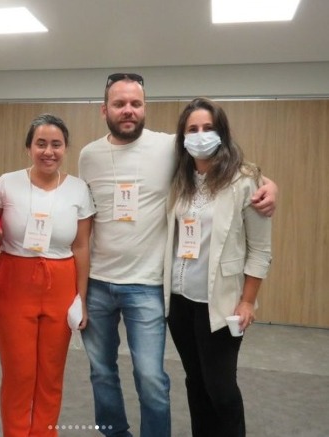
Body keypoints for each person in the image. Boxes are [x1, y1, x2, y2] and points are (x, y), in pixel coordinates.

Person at [78, 73, 277, 437]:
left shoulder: (170, 147)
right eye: (119, 104)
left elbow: (238, 173)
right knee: (107, 372)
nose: (128, 110)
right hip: (117, 287)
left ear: (145, 108)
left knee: (158, 378)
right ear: (104, 109)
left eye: (135, 103)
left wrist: (269, 185)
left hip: (152, 286)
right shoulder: (91, 156)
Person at [164, 97, 272, 437]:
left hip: (221, 304)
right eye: (192, 129)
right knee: (196, 383)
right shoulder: (179, 179)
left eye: (208, 128)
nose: (200, 135)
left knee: (221, 389)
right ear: (183, 137)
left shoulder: (245, 181)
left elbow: (260, 250)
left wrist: (247, 301)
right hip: (180, 302)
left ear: (221, 133)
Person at [0, 113, 95, 436]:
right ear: (28, 148)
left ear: (65, 148)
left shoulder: (78, 189)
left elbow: (81, 246)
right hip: (14, 281)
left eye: (56, 144)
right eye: (41, 144)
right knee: (19, 372)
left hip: (61, 283)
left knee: (51, 374)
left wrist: (81, 298)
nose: (48, 151)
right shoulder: (6, 184)